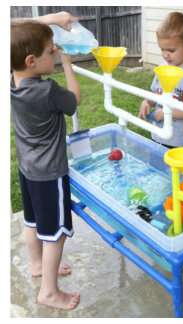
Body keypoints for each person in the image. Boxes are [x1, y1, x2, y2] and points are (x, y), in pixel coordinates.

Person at [11, 13, 81, 310]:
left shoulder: (11, 82)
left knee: (32, 221)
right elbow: (74, 100)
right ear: (31, 61)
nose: (55, 53)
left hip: (27, 168)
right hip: (50, 173)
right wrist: (67, 65)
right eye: (51, 51)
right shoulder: (47, 90)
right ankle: (49, 292)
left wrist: (50, 21)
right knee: (56, 233)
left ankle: (37, 266)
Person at [137, 11, 183, 148]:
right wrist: (148, 101)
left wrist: (165, 113)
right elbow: (156, 93)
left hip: (181, 142)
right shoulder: (163, 67)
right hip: (158, 135)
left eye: (171, 50)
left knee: (178, 170)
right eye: (162, 49)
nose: (165, 55)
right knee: (157, 168)